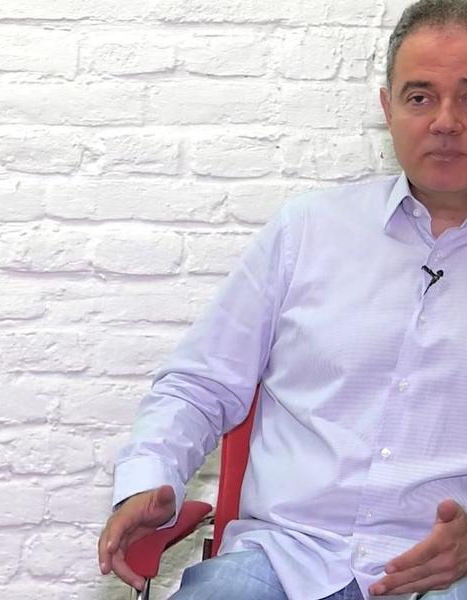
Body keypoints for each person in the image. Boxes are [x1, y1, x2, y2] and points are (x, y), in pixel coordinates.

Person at [98, 0, 467, 598]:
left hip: (447, 573)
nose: (447, 121)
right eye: (421, 97)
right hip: (286, 559)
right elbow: (200, 385)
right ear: (388, 109)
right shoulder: (307, 231)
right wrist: (149, 479)